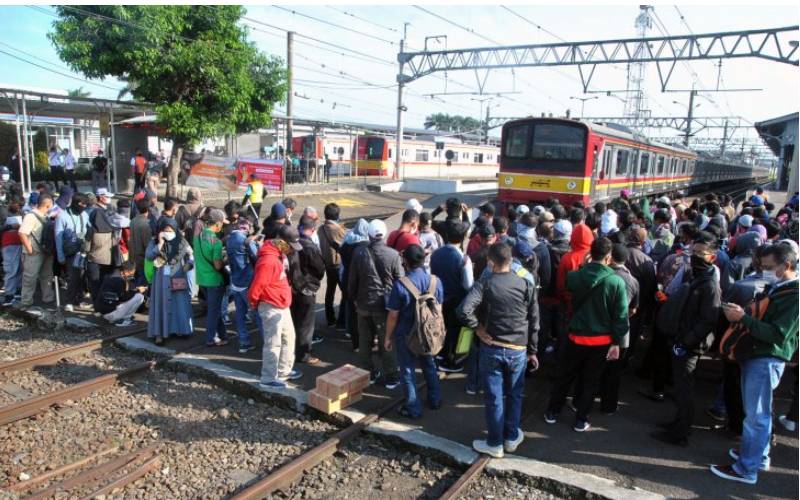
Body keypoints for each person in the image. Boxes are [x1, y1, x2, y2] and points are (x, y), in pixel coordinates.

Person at [711, 244, 798, 485]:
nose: (765, 272)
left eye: (770, 268)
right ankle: (757, 456)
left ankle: (746, 468)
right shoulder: (781, 288)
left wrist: (743, 318)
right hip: (760, 356)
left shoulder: (794, 296)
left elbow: (778, 334)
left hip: (766, 357)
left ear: (787, 266)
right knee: (758, 414)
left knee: (756, 417)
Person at [458, 242, 539, 458]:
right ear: (511, 260)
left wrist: (478, 329)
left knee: (493, 397)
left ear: (490, 263)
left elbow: (464, 310)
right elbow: (534, 319)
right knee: (515, 394)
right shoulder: (526, 284)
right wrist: (533, 349)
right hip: (518, 348)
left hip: (492, 347)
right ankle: (511, 437)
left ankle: (494, 442)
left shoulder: (485, 283)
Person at [544, 237, 626, 432]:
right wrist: (617, 342)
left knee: (565, 376)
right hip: (601, 341)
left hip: (575, 336)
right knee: (590, 380)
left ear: (591, 253)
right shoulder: (616, 282)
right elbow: (621, 317)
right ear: (609, 257)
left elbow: (568, 286)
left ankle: (552, 411)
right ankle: (581, 418)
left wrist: (585, 264)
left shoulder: (575, 276)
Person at [652, 231, 722, 447]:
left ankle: (681, 432)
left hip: (689, 344)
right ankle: (678, 422)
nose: (696, 256)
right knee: (681, 387)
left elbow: (708, 320)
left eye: (702, 253)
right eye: (694, 251)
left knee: (685, 389)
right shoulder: (697, 277)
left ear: (713, 256)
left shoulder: (710, 285)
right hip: (681, 338)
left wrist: (686, 342)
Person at [385, 244, 444, 419]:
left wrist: (387, 337)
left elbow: (393, 315)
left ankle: (413, 408)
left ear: (405, 262)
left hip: (406, 334)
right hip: (429, 332)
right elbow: (440, 307)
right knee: (429, 365)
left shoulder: (401, 285)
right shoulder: (435, 281)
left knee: (407, 369)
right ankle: (435, 399)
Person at [348, 219, 403, 388]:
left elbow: (352, 281)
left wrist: (354, 300)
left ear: (369, 235)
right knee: (387, 341)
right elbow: (400, 281)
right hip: (383, 307)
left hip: (363, 304)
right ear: (384, 234)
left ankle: (368, 374)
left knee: (365, 341)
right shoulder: (393, 255)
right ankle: (392, 377)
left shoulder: (359, 253)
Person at [249, 225, 304, 387]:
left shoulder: (278, 255)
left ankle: (284, 371)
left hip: (281, 304)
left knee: (289, 337)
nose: (292, 250)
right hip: (271, 306)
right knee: (273, 343)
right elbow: (256, 287)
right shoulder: (269, 261)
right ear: (281, 242)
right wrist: (254, 304)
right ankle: (268, 378)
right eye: (290, 246)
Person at [598, 243, 639, 415]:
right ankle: (609, 405)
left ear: (610, 257)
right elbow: (633, 309)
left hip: (600, 327)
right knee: (614, 371)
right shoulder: (632, 280)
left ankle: (585, 398)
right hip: (621, 331)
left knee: (595, 365)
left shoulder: (603, 275)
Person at [430, 221, 473, 372]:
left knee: (440, 326)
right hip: (456, 299)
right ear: (462, 239)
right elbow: (468, 285)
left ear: (447, 236)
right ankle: (451, 361)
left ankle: (439, 353)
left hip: (438, 297)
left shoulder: (436, 253)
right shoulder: (463, 259)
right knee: (454, 330)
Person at [146, 218, 194, 345]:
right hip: (161, 278)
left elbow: (191, 255)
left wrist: (189, 264)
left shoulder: (182, 241)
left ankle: (180, 329)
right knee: (161, 304)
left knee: (179, 304)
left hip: (178, 275)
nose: (168, 233)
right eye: (165, 230)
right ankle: (159, 334)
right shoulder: (154, 241)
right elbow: (149, 256)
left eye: (170, 230)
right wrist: (160, 243)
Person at [289, 215, 326, 364]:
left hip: (292, 286)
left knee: (295, 319)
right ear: (312, 230)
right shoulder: (310, 247)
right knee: (306, 323)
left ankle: (293, 349)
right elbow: (320, 268)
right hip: (307, 287)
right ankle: (303, 354)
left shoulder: (291, 242)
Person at [194, 208, 229, 347]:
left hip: (202, 279)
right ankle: (209, 339)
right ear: (218, 224)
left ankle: (223, 335)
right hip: (215, 281)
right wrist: (225, 259)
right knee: (213, 312)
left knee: (215, 309)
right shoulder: (217, 242)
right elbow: (218, 266)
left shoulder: (197, 238)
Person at [227, 217, 261, 353]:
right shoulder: (245, 241)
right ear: (246, 227)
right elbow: (257, 257)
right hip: (247, 282)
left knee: (240, 315)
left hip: (234, 281)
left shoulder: (229, 239)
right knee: (257, 313)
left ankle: (244, 342)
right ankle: (268, 344)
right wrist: (257, 244)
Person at [17, 193, 55, 308]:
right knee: (30, 277)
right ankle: (26, 301)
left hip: (46, 252)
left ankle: (48, 298)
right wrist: (29, 250)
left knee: (47, 276)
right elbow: (22, 233)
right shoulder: (30, 216)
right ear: (48, 205)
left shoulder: (46, 216)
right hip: (34, 253)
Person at [54, 192, 90, 312]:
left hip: (82, 250)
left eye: (86, 204)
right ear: (75, 203)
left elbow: (88, 229)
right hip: (69, 252)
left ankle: (79, 299)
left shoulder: (84, 214)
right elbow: (58, 238)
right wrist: (60, 256)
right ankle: (69, 301)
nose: (84, 206)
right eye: (82, 204)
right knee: (72, 277)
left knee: (81, 277)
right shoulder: (62, 216)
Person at [339, 218, 370, 350]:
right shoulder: (365, 246)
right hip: (361, 281)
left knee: (350, 308)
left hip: (347, 278)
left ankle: (352, 337)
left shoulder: (346, 244)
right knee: (363, 311)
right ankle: (365, 339)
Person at [87, 188, 122, 302]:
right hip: (107, 258)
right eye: (107, 196)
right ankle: (103, 301)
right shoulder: (109, 227)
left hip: (95, 258)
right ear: (101, 197)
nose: (109, 199)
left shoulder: (92, 227)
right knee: (102, 281)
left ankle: (97, 301)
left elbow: (87, 245)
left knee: (96, 282)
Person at [318, 203, 346, 329]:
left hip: (327, 264)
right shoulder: (337, 230)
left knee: (330, 292)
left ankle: (330, 319)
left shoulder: (321, 229)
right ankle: (341, 322)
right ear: (337, 215)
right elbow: (345, 245)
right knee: (346, 293)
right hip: (338, 265)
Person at [94, 261, 146, 327]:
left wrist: (134, 290)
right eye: (132, 273)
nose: (132, 275)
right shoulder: (119, 279)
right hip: (110, 314)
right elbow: (123, 297)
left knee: (133, 295)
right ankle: (122, 319)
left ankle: (120, 317)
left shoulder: (114, 273)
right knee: (139, 296)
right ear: (128, 271)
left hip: (104, 311)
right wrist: (138, 290)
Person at [1, 201, 23, 305]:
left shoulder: (21, 212)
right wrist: (10, 227)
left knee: (19, 268)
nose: (19, 206)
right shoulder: (3, 212)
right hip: (8, 244)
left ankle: (17, 290)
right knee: (11, 269)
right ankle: (9, 294)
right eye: (18, 204)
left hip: (19, 242)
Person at [129, 198, 153, 286]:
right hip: (144, 257)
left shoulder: (133, 221)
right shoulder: (147, 223)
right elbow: (148, 244)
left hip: (135, 255)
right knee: (144, 283)